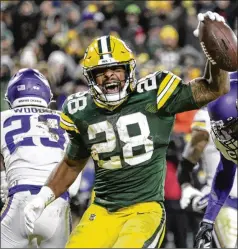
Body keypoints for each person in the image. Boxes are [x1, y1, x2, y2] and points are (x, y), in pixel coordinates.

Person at [24, 12, 230, 248]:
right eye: (101, 72)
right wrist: (43, 197)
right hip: (101, 210)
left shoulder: (156, 93)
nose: (109, 75)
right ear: (91, 78)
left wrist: (215, 53)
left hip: (144, 210)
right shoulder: (81, 110)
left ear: (129, 70)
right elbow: (72, 162)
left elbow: (216, 89)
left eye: (116, 69)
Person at [0, 68, 72, 248]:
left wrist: (3, 178)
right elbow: (74, 163)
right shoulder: (64, 119)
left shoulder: (3, 117)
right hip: (57, 201)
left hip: (20, 198)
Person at [178, 74, 237, 247]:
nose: (228, 136)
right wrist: (187, 187)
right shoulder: (213, 117)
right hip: (228, 202)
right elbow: (225, 170)